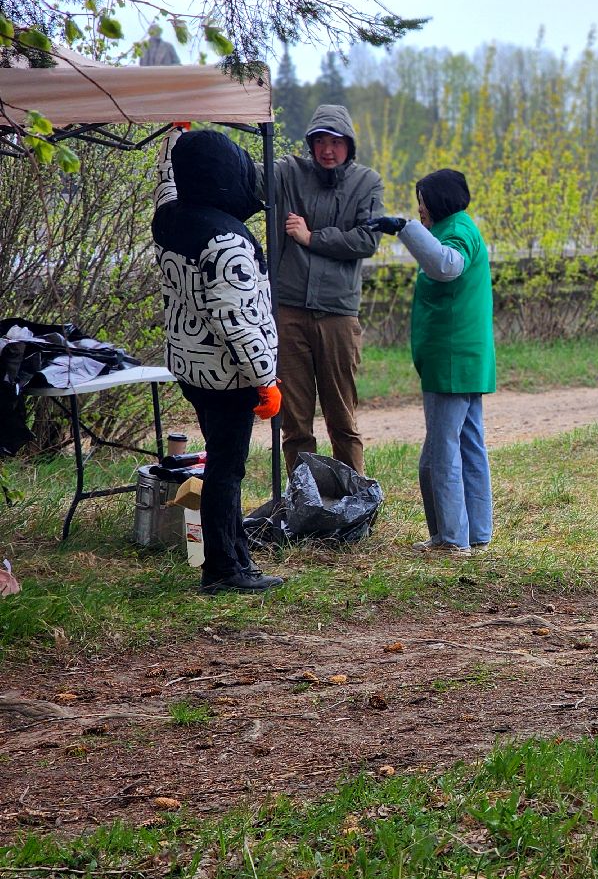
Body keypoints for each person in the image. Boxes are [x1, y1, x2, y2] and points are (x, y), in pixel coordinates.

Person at [153, 129, 285, 594]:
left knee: (220, 463)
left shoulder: (170, 217)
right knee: (226, 471)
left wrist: (174, 142)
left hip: (191, 368)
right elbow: (238, 321)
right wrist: (265, 380)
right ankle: (223, 568)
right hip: (230, 377)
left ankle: (236, 554)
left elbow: (166, 182)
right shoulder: (227, 241)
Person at [366, 170, 496, 556]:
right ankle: (476, 533)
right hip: (462, 359)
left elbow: (446, 265)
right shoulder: (460, 226)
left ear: (437, 201)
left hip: (452, 360)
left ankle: (452, 539)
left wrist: (404, 228)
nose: (419, 207)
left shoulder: (457, 231)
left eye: (421, 199)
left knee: (442, 451)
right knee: (468, 445)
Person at [265, 104, 383, 478]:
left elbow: (368, 238)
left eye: (335, 142)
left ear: (349, 144)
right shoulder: (290, 173)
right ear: (310, 144)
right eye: (320, 141)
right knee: (295, 422)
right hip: (290, 310)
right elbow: (253, 176)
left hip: (337, 312)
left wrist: (311, 237)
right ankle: (307, 500)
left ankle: (355, 500)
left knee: (341, 418)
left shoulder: (367, 182)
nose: (327, 150)